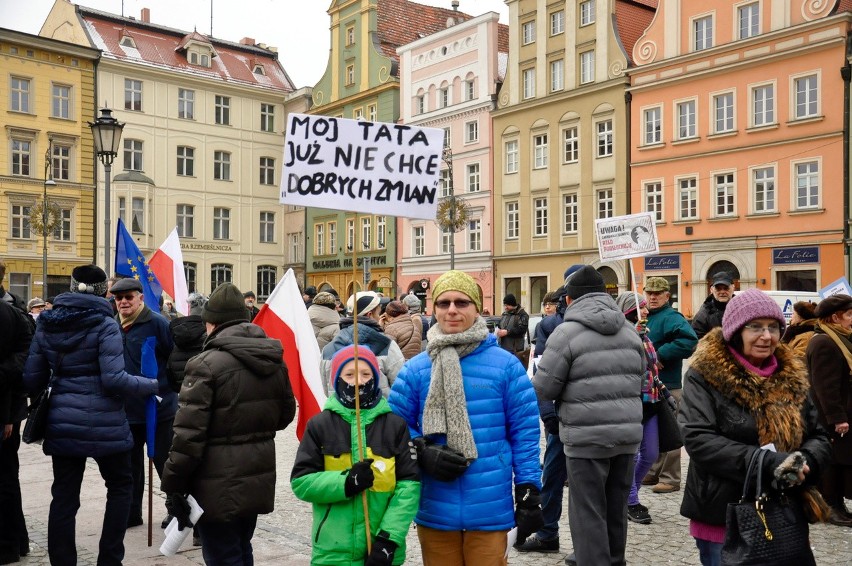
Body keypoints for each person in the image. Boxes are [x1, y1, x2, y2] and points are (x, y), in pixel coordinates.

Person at [388, 270, 543, 565]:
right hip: (435, 506)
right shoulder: (416, 368)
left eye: (461, 302)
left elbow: (524, 434)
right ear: (434, 309)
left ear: (476, 308)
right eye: (444, 303)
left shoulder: (506, 366)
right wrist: (421, 450)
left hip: (490, 507)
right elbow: (394, 427)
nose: (452, 310)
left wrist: (528, 489)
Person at [679, 288, 832, 565]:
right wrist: (768, 462)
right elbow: (698, 438)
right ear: (736, 331)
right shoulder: (704, 375)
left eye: (773, 327)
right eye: (755, 327)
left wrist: (802, 462)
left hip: (785, 510)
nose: (766, 336)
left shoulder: (792, 375)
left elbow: (818, 434)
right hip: (724, 513)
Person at [23, 264, 159, 566]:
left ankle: (63, 562)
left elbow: (32, 379)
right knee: (121, 486)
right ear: (104, 292)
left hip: (63, 420)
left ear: (71, 288)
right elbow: (113, 378)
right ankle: (109, 559)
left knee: (64, 496)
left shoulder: (46, 322)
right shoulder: (104, 323)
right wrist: (150, 385)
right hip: (106, 422)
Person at [161, 282, 296, 565]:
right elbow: (285, 416)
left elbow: (187, 436)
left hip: (215, 482)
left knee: (223, 555)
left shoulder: (205, 364)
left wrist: (173, 485)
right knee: (241, 548)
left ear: (210, 323)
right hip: (256, 474)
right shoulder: (273, 358)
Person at [533, 266, 645, 566]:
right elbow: (641, 378)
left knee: (588, 511)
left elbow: (544, 387)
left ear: (569, 299)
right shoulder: (631, 331)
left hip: (585, 438)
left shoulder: (565, 333)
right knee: (616, 507)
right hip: (626, 436)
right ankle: (614, 560)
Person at [291, 345, 420, 565]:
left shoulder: (394, 426)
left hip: (382, 550)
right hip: (333, 552)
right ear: (337, 379)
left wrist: (388, 540)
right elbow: (302, 482)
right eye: (349, 374)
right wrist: (346, 483)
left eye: (366, 374)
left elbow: (409, 486)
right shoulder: (320, 425)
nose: (358, 381)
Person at [109, 277, 176, 528]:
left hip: (159, 409)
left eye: (129, 297)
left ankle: (174, 509)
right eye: (119, 298)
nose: (124, 302)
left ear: (140, 298)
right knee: (130, 465)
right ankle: (131, 512)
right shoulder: (113, 325)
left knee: (164, 461)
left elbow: (173, 360)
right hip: (127, 411)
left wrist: (163, 389)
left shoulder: (157, 323)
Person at [514, 290, 565, 554]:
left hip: (587, 421)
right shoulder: (550, 325)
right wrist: (547, 413)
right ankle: (547, 534)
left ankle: (596, 546)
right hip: (561, 417)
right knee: (553, 477)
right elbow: (541, 369)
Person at [642, 276, 698, 494]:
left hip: (669, 385)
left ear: (667, 295)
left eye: (658, 293)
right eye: (650, 293)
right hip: (650, 385)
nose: (653, 297)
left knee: (671, 432)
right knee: (654, 431)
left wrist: (661, 355)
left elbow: (689, 340)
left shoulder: (671, 317)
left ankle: (671, 477)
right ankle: (653, 470)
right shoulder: (646, 318)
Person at [615, 293, 665, 525]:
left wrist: (662, 390)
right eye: (641, 308)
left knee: (652, 453)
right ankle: (631, 500)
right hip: (632, 402)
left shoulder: (646, 336)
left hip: (652, 402)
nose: (646, 311)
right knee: (632, 455)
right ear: (629, 311)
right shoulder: (622, 337)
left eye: (646, 308)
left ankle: (626, 492)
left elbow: (653, 371)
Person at [805, 294, 852, 526]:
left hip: (841, 413)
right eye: (849, 315)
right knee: (833, 462)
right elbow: (825, 386)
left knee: (842, 460)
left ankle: (838, 505)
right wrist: (837, 418)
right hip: (831, 416)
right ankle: (830, 507)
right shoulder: (824, 341)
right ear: (835, 317)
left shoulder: (841, 339)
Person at [0, 260, 34, 565]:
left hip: (4, 411)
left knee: (5, 481)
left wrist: (9, 415)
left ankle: (10, 545)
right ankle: (18, 541)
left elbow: (21, 363)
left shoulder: (11, 313)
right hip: (7, 410)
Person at [320, 291, 404, 399]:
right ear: (369, 315)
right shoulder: (386, 345)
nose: (380, 317)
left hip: (341, 414)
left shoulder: (328, 349)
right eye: (378, 313)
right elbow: (400, 388)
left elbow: (326, 389)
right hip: (379, 413)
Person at [166, 293, 207, 394]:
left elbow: (170, 372)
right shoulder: (210, 334)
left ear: (189, 309)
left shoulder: (177, 334)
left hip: (182, 396)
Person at [691, 272, 734, 340]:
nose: (722, 292)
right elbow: (696, 342)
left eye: (726, 288)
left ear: (733, 288)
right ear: (711, 290)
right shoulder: (702, 316)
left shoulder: (742, 309)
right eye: (718, 289)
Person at [496, 293, 529, 359]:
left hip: (515, 351)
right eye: (504, 305)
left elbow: (522, 330)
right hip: (503, 349)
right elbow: (500, 325)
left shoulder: (522, 314)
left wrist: (507, 332)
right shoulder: (505, 314)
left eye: (507, 305)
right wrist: (497, 328)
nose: (505, 307)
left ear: (512, 304)